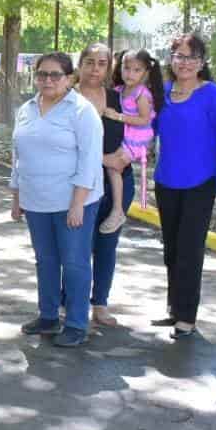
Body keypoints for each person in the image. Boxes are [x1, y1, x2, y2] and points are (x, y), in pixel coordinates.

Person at [10, 52, 104, 349]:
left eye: (55, 75)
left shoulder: (81, 111)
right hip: (36, 199)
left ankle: (76, 323)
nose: (47, 80)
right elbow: (17, 156)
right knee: (46, 261)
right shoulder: (26, 109)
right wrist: (17, 196)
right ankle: (48, 315)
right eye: (42, 74)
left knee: (74, 263)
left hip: (73, 202)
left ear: (69, 78)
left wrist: (78, 203)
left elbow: (89, 160)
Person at [152, 33, 216, 339]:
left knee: (189, 249)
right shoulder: (163, 92)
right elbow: (147, 128)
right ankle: (175, 309)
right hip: (166, 181)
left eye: (192, 57)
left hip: (199, 183)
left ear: (201, 63)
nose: (184, 63)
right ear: (171, 59)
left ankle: (187, 316)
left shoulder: (214, 95)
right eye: (179, 56)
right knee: (171, 249)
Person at [75, 43, 135, 327]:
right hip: (79, 183)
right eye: (89, 62)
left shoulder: (119, 98)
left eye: (101, 63)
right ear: (80, 64)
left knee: (107, 246)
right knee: (76, 246)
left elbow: (141, 132)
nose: (95, 68)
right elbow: (62, 144)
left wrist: (125, 156)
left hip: (118, 180)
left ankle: (100, 303)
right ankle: (69, 301)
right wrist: (103, 158)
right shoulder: (67, 98)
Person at [99, 49, 162, 233]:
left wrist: (119, 117)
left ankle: (118, 210)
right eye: (127, 68)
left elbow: (144, 120)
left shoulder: (141, 93)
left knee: (113, 166)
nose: (130, 74)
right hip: (125, 134)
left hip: (137, 137)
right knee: (112, 166)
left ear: (145, 73)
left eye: (137, 70)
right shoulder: (119, 90)